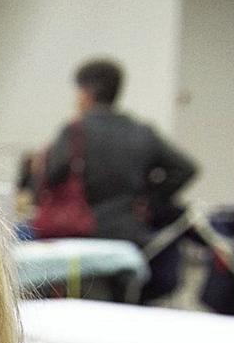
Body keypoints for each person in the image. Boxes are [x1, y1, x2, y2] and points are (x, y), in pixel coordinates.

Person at [41, 58, 197, 246]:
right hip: (131, 235)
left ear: (86, 93)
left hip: (81, 233)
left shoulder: (74, 132)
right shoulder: (142, 132)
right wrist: (150, 197)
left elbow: (50, 176)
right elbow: (185, 169)